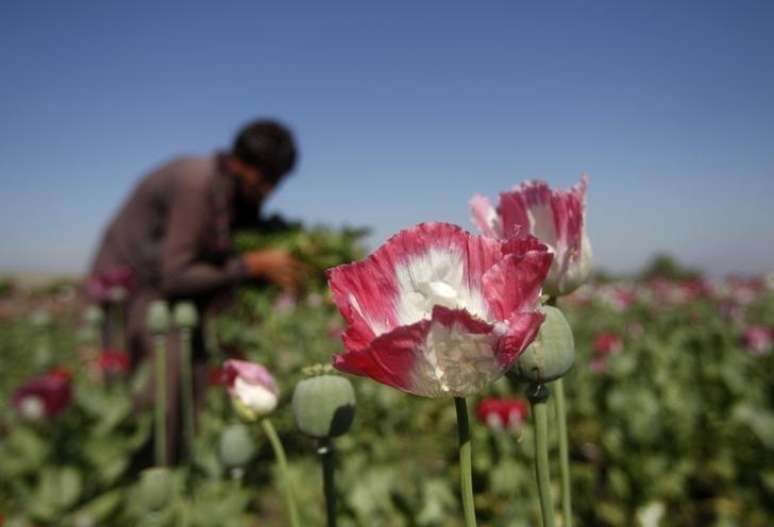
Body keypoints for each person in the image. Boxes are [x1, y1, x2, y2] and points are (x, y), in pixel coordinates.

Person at [88, 118, 306, 464]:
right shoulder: (197, 183)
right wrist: (252, 265)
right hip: (130, 287)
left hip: (165, 288)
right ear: (240, 162)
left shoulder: (230, 191)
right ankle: (146, 472)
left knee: (197, 374)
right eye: (265, 179)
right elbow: (177, 273)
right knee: (166, 377)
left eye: (276, 182)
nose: (269, 191)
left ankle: (176, 463)